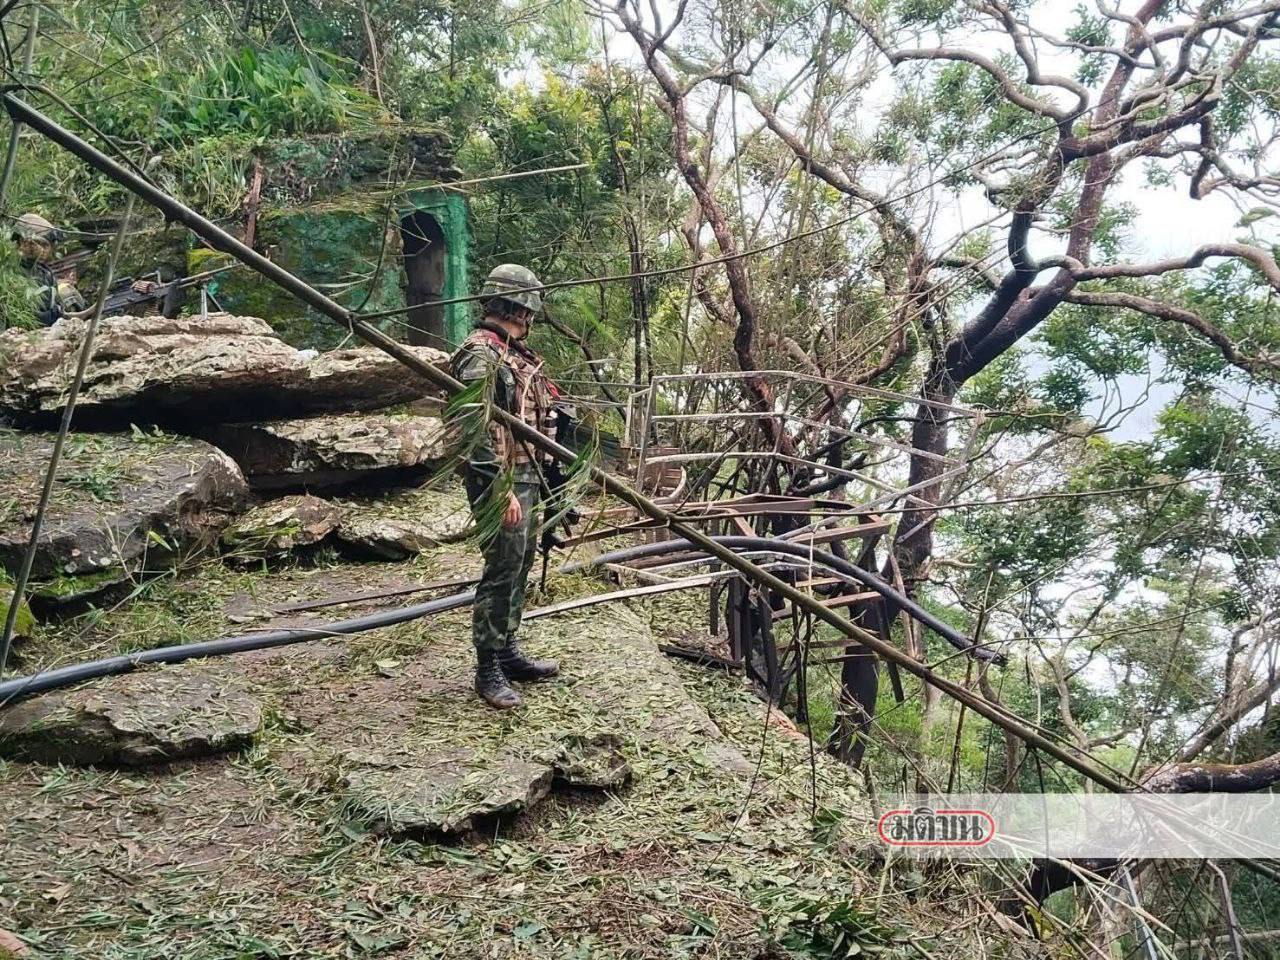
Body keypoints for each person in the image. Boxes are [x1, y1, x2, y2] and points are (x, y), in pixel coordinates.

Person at [449, 263, 562, 710]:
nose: (531, 318)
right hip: (502, 479)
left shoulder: (514, 353)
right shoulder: (481, 355)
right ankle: (487, 667)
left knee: (520, 562)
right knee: (502, 568)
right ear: (520, 308)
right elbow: (472, 429)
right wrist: (499, 489)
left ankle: (507, 648)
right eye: (529, 310)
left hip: (527, 475)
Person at [11, 213, 85, 325]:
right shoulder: (10, 272)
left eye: (47, 245)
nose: (44, 251)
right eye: (41, 244)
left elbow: (57, 309)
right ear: (22, 242)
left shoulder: (45, 273)